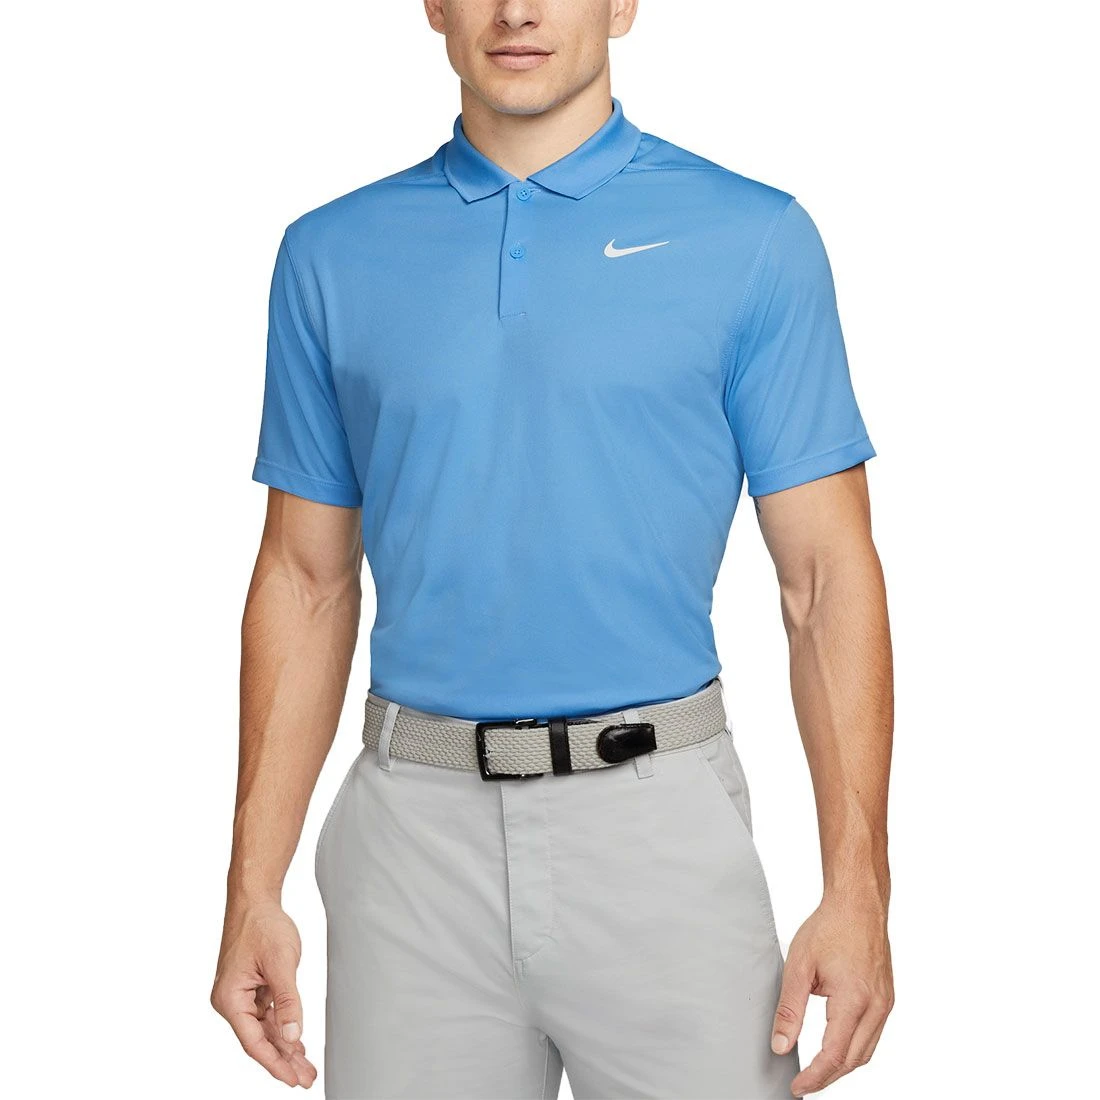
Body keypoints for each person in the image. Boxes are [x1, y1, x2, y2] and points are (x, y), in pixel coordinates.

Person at [210, 2, 895, 1097]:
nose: (517, 10)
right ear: (433, 5)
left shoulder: (751, 238)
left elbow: (823, 579)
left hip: (659, 832)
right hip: (409, 845)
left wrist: (859, 889)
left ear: (622, 4)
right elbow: (303, 579)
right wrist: (253, 884)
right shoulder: (330, 254)